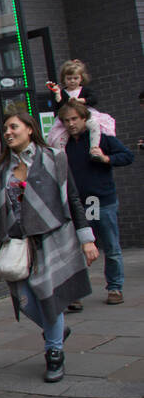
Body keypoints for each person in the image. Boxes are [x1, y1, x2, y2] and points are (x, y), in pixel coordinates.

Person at [0, 110, 99, 382]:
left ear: (30, 129)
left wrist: (86, 238)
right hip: (17, 244)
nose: (8, 132)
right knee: (25, 301)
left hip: (52, 239)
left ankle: (54, 352)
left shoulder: (54, 158)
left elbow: (73, 199)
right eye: (5, 129)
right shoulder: (2, 169)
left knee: (48, 297)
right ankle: (56, 330)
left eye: (13, 127)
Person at [57, 99, 133, 305]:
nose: (71, 124)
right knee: (77, 249)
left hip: (102, 200)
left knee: (111, 246)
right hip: (79, 204)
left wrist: (107, 158)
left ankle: (115, 288)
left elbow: (127, 156)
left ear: (84, 119)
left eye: (74, 119)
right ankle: (77, 293)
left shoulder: (100, 138)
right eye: (66, 120)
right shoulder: (64, 145)